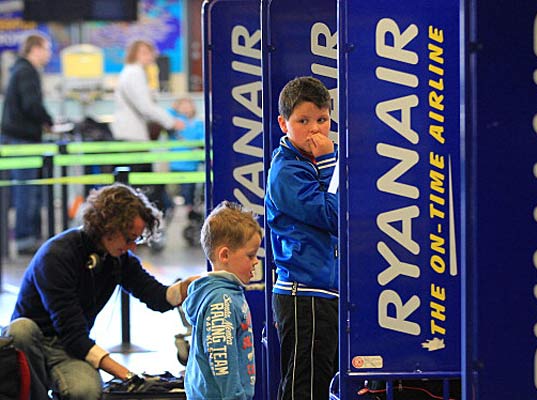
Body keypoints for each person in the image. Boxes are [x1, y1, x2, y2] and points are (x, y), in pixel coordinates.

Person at [1, 183, 200, 400]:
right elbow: (72, 333)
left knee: (86, 392)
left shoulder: (117, 258)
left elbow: (156, 297)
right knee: (21, 329)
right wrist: (128, 376)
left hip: (69, 348)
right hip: (35, 343)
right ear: (109, 227)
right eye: (129, 238)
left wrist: (186, 288)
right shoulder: (57, 256)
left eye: (137, 239)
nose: (133, 246)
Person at [265, 76, 339, 400]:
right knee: (304, 389)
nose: (315, 130)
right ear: (283, 123)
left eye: (322, 120)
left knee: (322, 385)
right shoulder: (286, 171)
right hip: (303, 295)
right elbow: (334, 216)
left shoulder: (314, 164)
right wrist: (328, 162)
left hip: (325, 292)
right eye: (303, 121)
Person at [183, 200, 262, 399]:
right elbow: (222, 360)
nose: (256, 262)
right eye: (250, 256)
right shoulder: (221, 300)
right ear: (225, 255)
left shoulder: (227, 293)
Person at [0, 32, 54, 255]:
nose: (49, 54)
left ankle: (27, 237)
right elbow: (31, 104)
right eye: (47, 48)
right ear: (36, 48)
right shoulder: (27, 72)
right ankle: (25, 239)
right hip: (22, 139)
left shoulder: (19, 70)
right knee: (26, 189)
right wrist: (48, 121)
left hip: (16, 137)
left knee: (25, 188)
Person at [110, 39, 184, 141]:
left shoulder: (131, 71)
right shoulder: (135, 73)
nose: (150, 56)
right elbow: (145, 106)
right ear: (133, 54)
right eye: (145, 53)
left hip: (127, 131)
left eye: (151, 52)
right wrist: (171, 122)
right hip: (132, 134)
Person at [167, 96, 205, 212]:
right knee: (174, 193)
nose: (185, 109)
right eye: (182, 106)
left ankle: (189, 213)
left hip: (191, 166)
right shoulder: (174, 122)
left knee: (189, 193)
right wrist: (174, 107)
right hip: (175, 164)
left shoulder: (197, 124)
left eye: (188, 106)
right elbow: (166, 113)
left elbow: (203, 140)